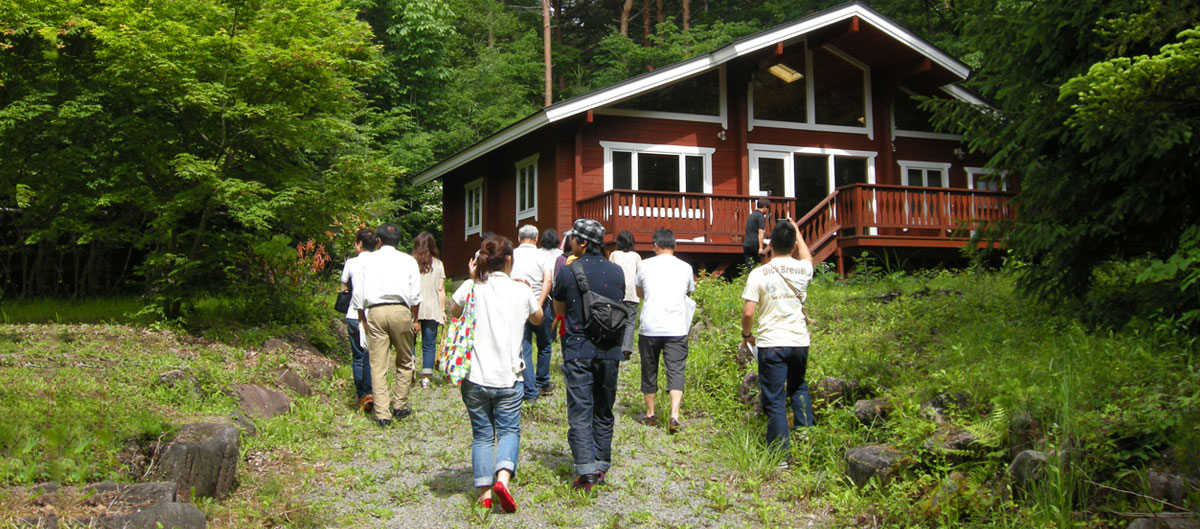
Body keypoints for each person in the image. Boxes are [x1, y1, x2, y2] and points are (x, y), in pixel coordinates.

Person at [450, 235, 543, 513]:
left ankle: (485, 493)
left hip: (475, 377)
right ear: (509, 261)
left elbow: (454, 313)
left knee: (481, 435)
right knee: (509, 430)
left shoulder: (470, 287)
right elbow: (538, 318)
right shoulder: (521, 290)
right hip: (509, 377)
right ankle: (503, 478)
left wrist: (472, 279)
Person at [550, 218, 626, 492]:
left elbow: (559, 307)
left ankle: (586, 472)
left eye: (573, 238)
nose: (570, 242)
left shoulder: (569, 271)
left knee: (581, 409)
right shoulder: (617, 272)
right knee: (604, 408)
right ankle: (601, 464)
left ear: (582, 243)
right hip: (610, 350)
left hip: (578, 348)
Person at [740, 219, 815, 461]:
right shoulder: (803, 269)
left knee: (774, 398)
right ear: (793, 244)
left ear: (770, 245)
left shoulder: (759, 273)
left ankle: (780, 456)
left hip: (772, 342)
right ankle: (806, 437)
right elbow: (807, 257)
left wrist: (747, 334)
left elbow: (748, 312)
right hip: (799, 341)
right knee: (799, 387)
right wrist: (798, 233)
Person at [353, 223, 422, 427]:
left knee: (378, 363)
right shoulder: (408, 261)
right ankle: (399, 405)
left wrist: (362, 319)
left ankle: (382, 413)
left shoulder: (367, 261)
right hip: (401, 310)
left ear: (379, 241)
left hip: (375, 311)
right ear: (398, 241)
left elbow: (358, 293)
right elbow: (416, 295)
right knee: (404, 359)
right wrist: (415, 319)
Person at [633, 228, 695, 433]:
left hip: (650, 326)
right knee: (676, 369)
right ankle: (674, 415)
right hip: (676, 327)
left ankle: (650, 413)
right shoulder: (685, 267)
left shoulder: (644, 265)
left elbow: (639, 291)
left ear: (655, 245)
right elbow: (688, 291)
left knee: (649, 369)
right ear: (674, 245)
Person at [512, 224, 555, 402]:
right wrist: (538, 303)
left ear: (518, 238)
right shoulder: (543, 255)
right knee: (545, 344)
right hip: (540, 304)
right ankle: (542, 381)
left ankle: (529, 391)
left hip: (517, 305)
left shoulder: (511, 254)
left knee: (524, 348)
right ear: (536, 239)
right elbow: (548, 280)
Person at [340, 228, 378, 412]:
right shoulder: (380, 261)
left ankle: (361, 394)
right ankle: (370, 392)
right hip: (374, 315)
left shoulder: (352, 263)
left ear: (360, 244)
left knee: (357, 356)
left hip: (354, 314)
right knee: (370, 356)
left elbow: (343, 285)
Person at [412, 232, 446, 390]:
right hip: (432, 308)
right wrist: (443, 310)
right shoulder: (438, 264)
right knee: (429, 344)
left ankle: (410, 368)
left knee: (408, 341)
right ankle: (426, 377)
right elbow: (440, 289)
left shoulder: (411, 263)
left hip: (413, 307)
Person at [607, 230, 641, 361]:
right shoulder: (636, 256)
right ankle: (627, 349)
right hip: (632, 293)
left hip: (617, 291)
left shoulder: (614, 255)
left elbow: (610, 271)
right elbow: (639, 273)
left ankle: (617, 345)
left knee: (616, 319)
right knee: (630, 322)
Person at [743, 199, 771, 272]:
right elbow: (761, 232)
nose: (768, 210)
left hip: (747, 244)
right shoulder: (760, 216)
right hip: (755, 244)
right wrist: (761, 248)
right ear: (765, 207)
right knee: (760, 265)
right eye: (768, 208)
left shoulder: (751, 215)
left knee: (749, 267)